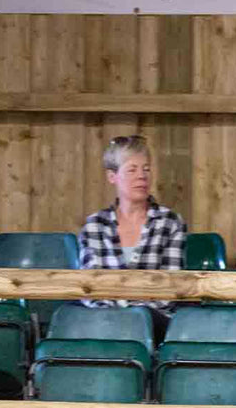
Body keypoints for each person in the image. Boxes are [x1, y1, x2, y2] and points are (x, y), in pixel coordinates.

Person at [78, 134, 187, 345]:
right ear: (112, 176)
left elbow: (169, 289)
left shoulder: (170, 222)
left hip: (153, 322)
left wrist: (132, 314)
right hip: (105, 321)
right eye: (132, 169)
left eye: (146, 169)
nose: (142, 176)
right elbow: (91, 289)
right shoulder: (94, 225)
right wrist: (121, 315)